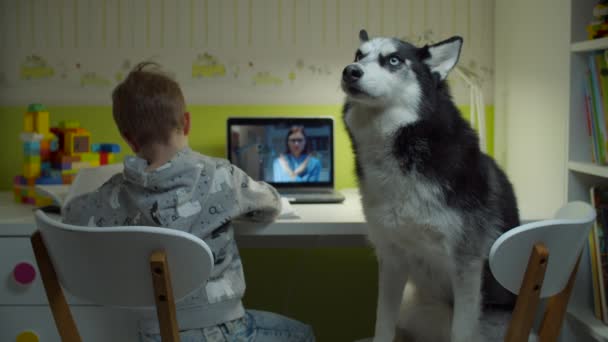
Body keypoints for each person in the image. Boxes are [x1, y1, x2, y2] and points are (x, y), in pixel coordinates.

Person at [62, 62, 315, 342]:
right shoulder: (221, 174)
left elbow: (72, 215)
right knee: (303, 334)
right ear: (186, 121)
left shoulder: (116, 193)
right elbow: (271, 204)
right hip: (222, 331)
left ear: (129, 140)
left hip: (153, 333)